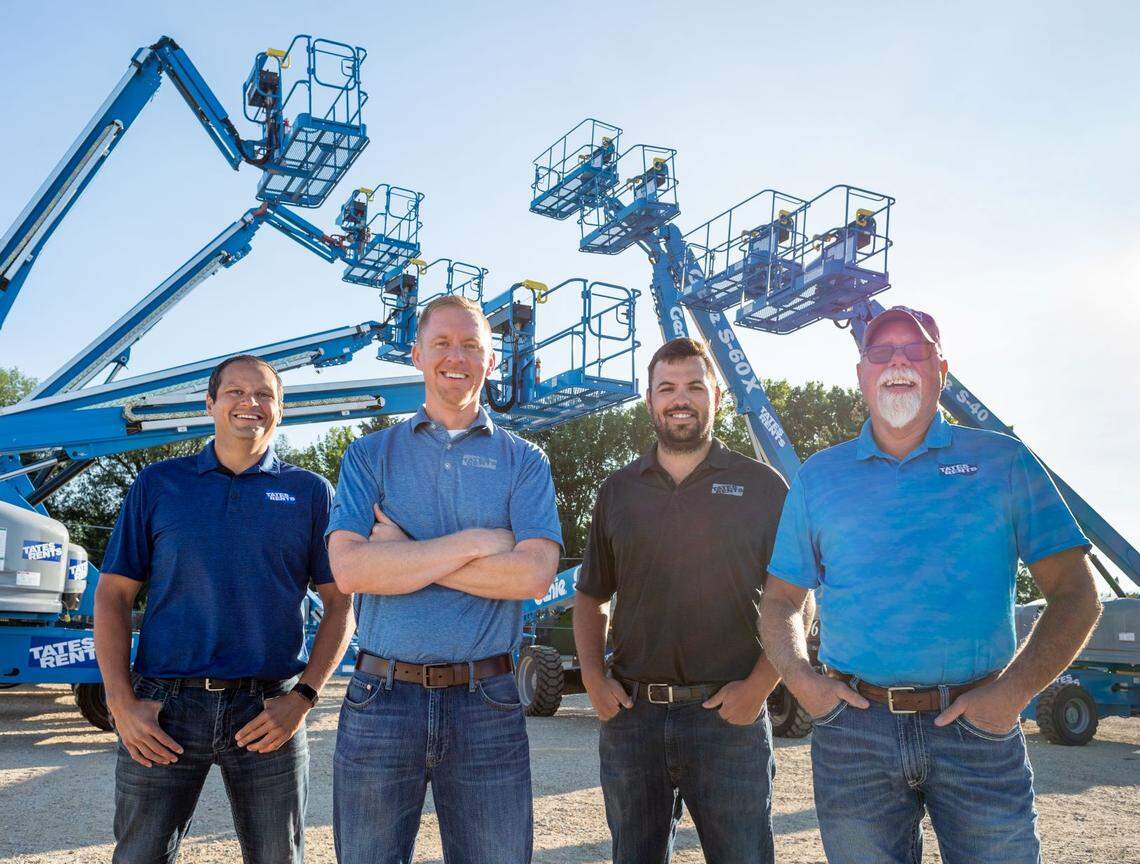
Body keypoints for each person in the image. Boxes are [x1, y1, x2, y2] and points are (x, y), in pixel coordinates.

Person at [760, 306, 1102, 864]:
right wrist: (803, 683)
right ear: (861, 374)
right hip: (855, 734)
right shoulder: (818, 478)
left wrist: (1012, 694)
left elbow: (1076, 592)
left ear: (942, 368)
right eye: (881, 351)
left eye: (915, 349)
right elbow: (780, 601)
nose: (897, 360)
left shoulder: (1004, 461)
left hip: (979, 728)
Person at [326, 294, 562, 864]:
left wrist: (405, 557)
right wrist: (478, 544)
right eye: (441, 343)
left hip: (488, 702)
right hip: (381, 697)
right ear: (416, 355)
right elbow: (351, 568)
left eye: (471, 346)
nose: (455, 357)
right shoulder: (368, 455)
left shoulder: (524, 460)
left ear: (492, 361)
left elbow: (533, 576)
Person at [95, 354, 354, 864]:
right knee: (138, 856)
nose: (249, 403)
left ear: (280, 411)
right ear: (210, 403)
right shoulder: (158, 484)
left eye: (264, 395)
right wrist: (121, 703)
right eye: (235, 392)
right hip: (164, 708)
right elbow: (113, 595)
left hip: (268, 710)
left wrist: (302, 699)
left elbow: (341, 604)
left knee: (279, 857)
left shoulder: (310, 493)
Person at [574, 337, 797, 864]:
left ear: (716, 395)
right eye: (667, 387)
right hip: (633, 719)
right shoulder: (618, 490)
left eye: (695, 385)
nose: (681, 398)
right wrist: (591, 679)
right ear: (649, 400)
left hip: (729, 720)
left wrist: (761, 686)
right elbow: (590, 597)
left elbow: (794, 598)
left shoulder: (763, 487)